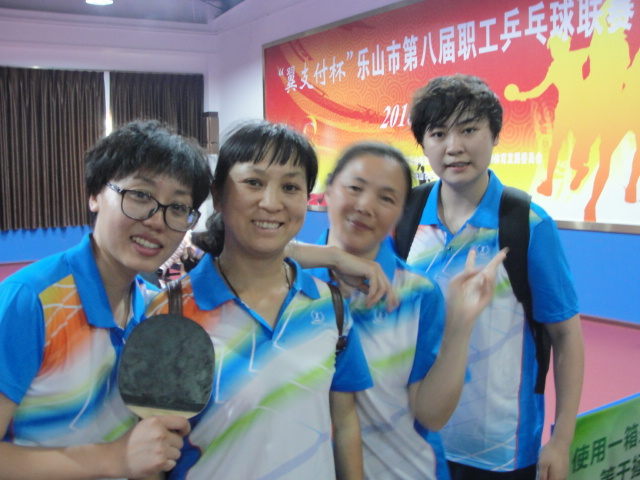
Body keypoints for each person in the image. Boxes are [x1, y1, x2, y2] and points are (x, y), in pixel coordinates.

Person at [145, 120, 373, 480]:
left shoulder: (330, 306)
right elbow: (151, 451)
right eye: (253, 182)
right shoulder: (169, 313)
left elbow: (344, 422)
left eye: (290, 187)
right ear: (218, 196)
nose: (271, 203)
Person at [0, 119, 213, 479]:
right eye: (141, 195)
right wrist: (114, 458)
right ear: (95, 195)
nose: (157, 221)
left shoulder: (151, 307)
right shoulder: (30, 302)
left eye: (178, 207)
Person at [404, 74, 584, 480]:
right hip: (412, 439)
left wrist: (561, 439)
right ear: (424, 143)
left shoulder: (528, 226)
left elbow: (566, 336)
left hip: (499, 451)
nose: (454, 147)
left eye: (469, 130)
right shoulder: (404, 217)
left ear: (495, 135)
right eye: (438, 134)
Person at [306, 141, 506, 479]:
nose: (365, 206)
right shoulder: (288, 282)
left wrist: (460, 327)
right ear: (327, 190)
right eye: (355, 188)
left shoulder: (417, 294)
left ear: (400, 213)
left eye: (386, 198)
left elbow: (431, 416)